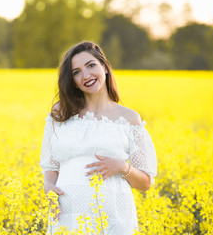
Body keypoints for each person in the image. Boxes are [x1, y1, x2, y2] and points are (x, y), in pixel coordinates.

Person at [40, 41, 157, 234]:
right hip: (66, 216)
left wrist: (122, 167)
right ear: (72, 80)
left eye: (91, 65)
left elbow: (145, 183)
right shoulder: (60, 112)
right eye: (76, 72)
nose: (85, 75)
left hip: (113, 217)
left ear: (104, 66)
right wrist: (49, 187)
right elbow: (51, 167)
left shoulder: (129, 118)